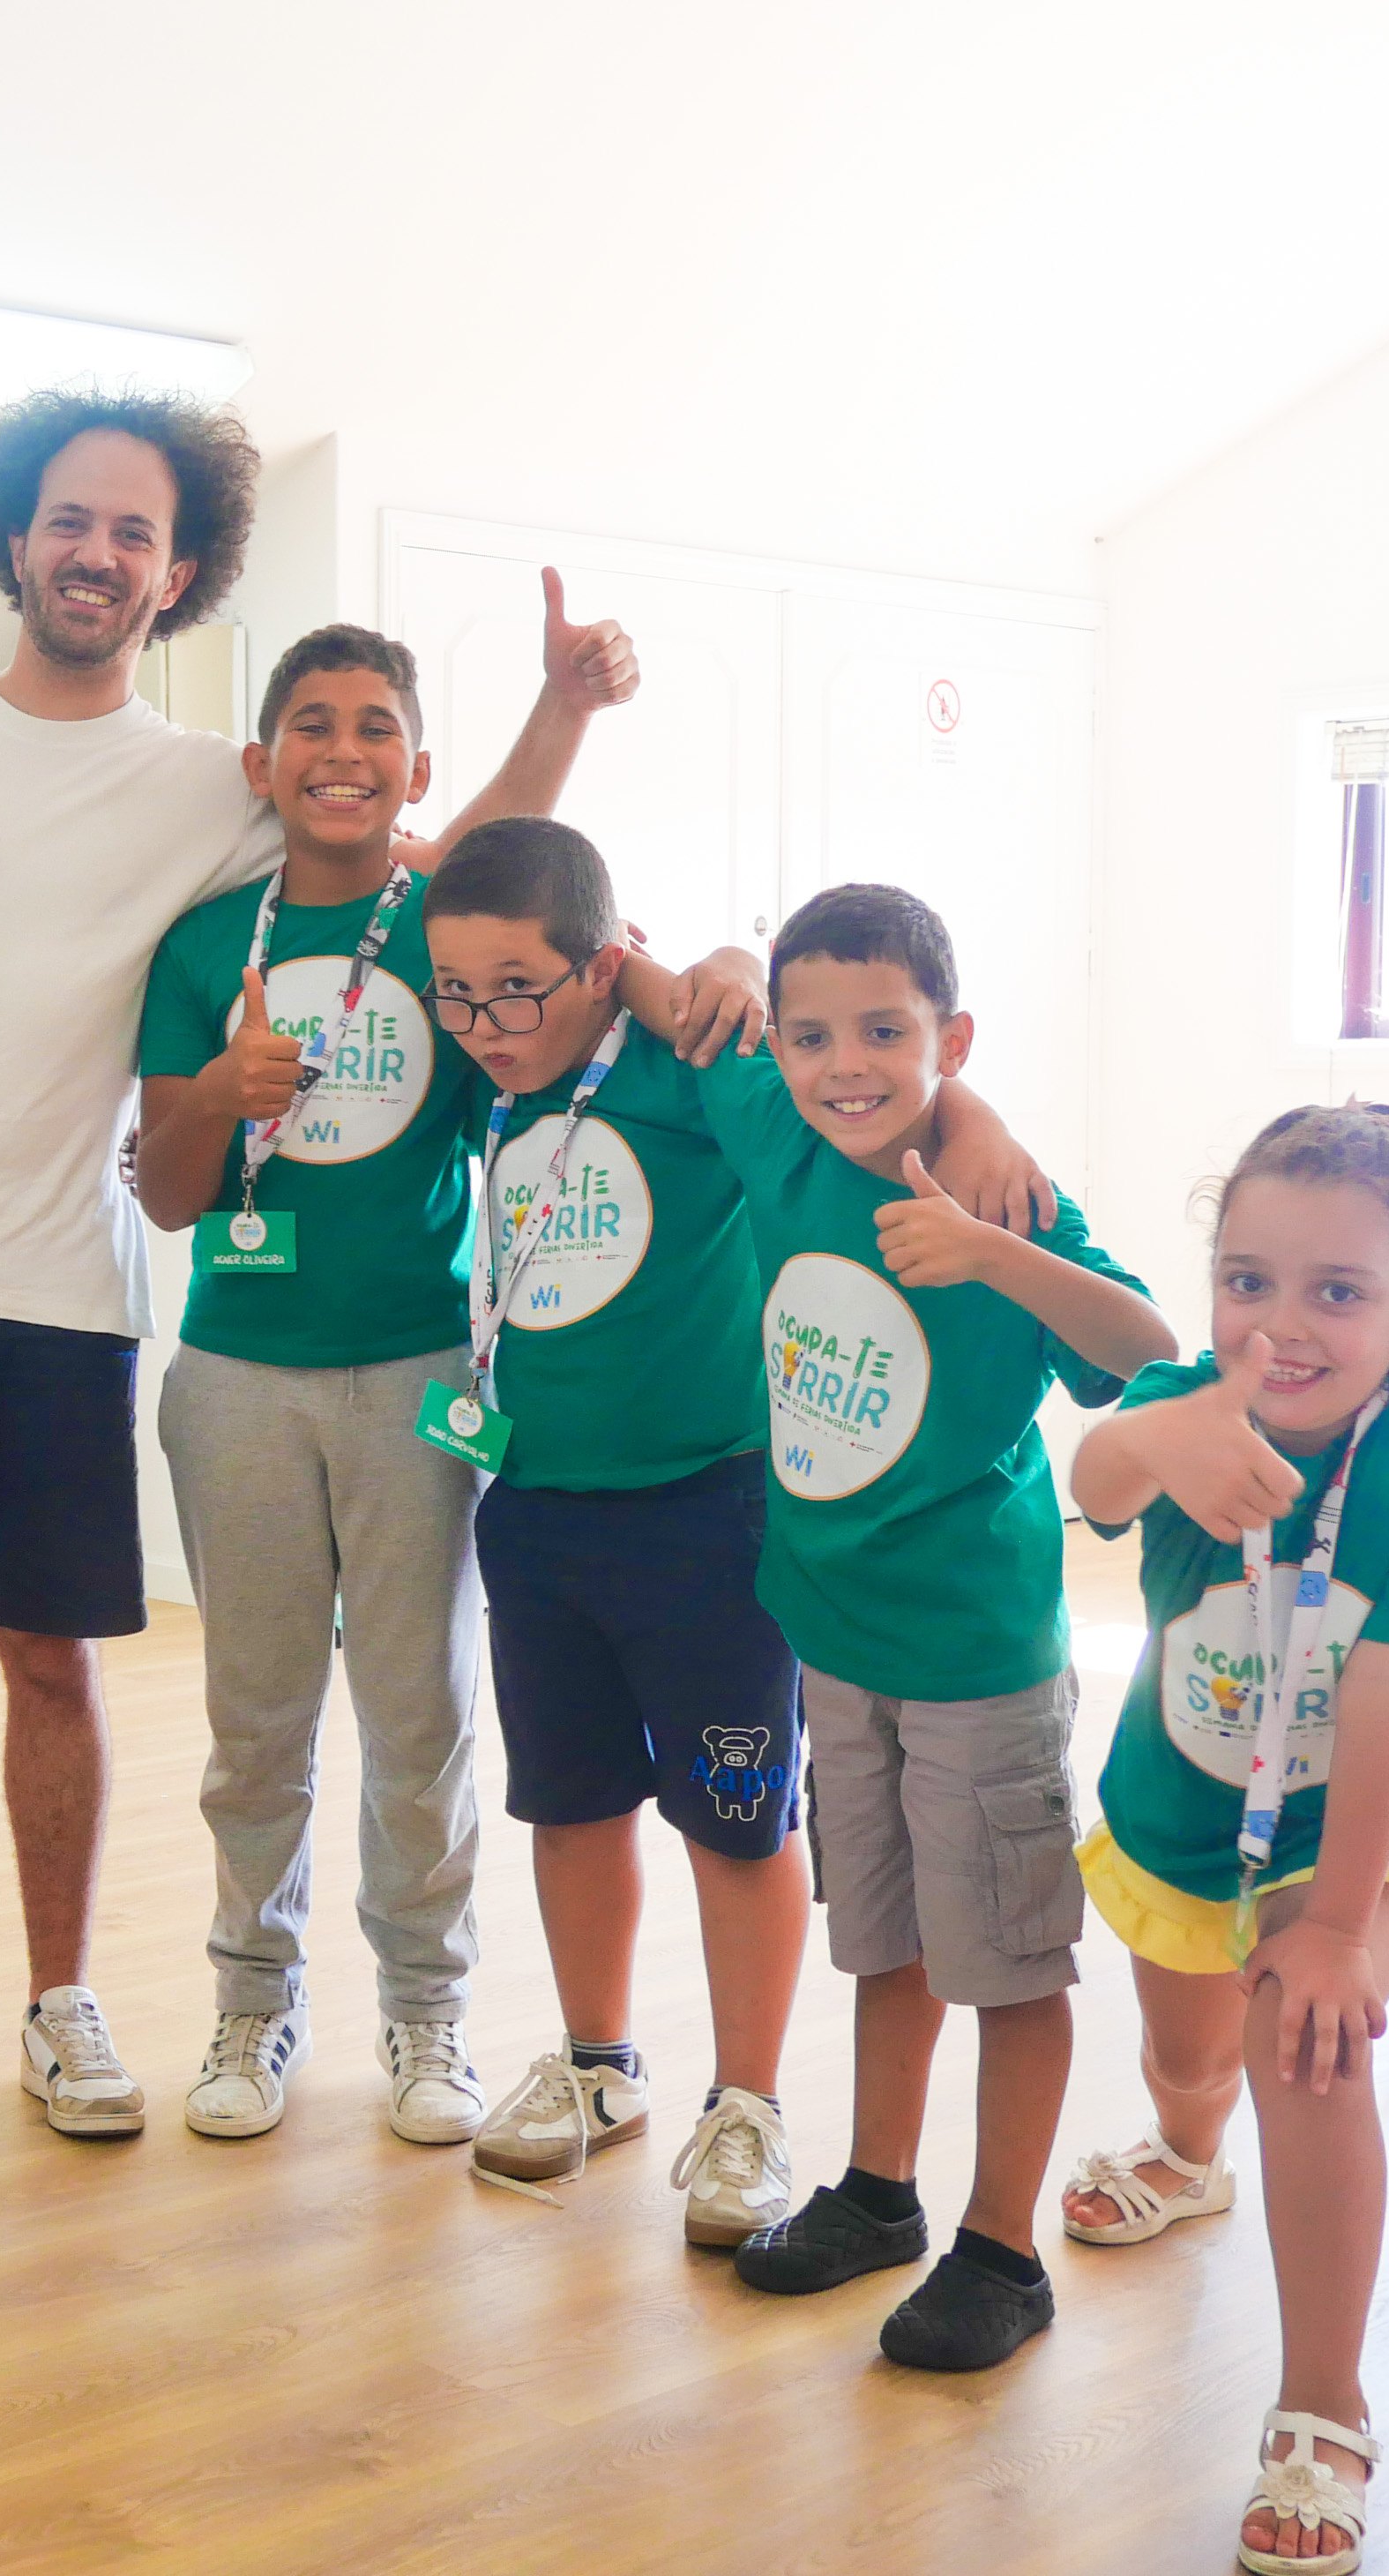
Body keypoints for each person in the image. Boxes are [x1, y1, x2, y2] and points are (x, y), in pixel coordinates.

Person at [0, 388, 679, 2145]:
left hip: (66, 1301)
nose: (98, 553)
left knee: (65, 1671)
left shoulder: (208, 789)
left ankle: (67, 2005)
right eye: (72, 520)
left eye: (136, 532)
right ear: (16, 536)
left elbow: (453, 867)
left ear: (177, 573)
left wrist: (569, 732)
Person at [128, 625, 758, 2148]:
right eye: (311, 724)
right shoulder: (203, 945)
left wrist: (715, 963)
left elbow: (558, 926)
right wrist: (217, 1092)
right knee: (255, 1726)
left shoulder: (442, 930)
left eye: (376, 728)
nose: (342, 752)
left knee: (422, 1722)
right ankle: (253, 2004)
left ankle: (430, 2016)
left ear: (415, 769)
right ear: (260, 760)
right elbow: (167, 1194)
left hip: (425, 1374)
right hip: (237, 1375)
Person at [419, 826, 1046, 2250]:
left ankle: (746, 2101)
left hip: (709, 1513)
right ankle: (597, 2064)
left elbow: (860, 1083)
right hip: (535, 1508)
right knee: (569, 1804)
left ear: (602, 965)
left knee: (736, 1816)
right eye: (459, 997)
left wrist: (975, 1117)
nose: (487, 1023)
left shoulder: (690, 1065)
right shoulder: (485, 1078)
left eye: (518, 990)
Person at [1057, 1103, 1389, 2576]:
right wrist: (1148, 1432)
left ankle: (1323, 2406)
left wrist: (1337, 1927)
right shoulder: (1187, 1396)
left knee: (1307, 2044)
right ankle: (1185, 2150)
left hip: (1359, 1823)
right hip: (1184, 1801)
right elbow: (1093, 1489)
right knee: (1189, 2057)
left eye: (1339, 1291)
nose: (1283, 1325)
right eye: (1248, 1281)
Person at [698, 884, 1171, 2377]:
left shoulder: (1010, 1201)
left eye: (886, 1034)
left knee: (1009, 1965)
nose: (845, 1064)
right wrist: (721, 958)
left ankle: (1003, 2252)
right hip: (837, 1641)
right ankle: (880, 2191)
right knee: (885, 1942)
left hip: (976, 1657)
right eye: (811, 1036)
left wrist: (995, 1251)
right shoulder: (775, 1132)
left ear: (950, 1040)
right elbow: (654, 985)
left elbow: (1149, 1352)